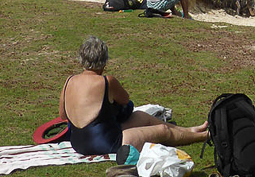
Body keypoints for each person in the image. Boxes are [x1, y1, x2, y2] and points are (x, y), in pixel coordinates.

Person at [60, 35, 208, 157]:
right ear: (104, 61)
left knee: (142, 117)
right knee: (163, 131)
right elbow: (125, 100)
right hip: (106, 142)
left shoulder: (69, 80)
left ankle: (189, 130)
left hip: (78, 142)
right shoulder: (106, 81)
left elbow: (63, 115)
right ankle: (203, 136)